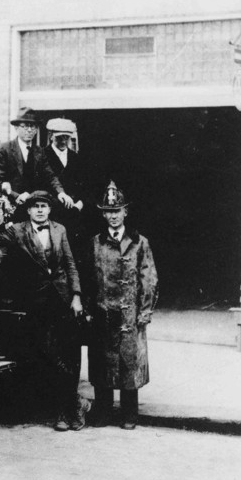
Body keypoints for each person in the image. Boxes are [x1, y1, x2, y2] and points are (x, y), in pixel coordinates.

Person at [0, 191, 88, 431]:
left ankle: (66, 412)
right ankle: (75, 404)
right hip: (37, 301)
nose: (40, 210)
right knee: (49, 353)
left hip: (63, 299)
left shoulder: (60, 229)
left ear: (50, 210)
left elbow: (69, 263)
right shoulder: (18, 230)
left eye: (44, 206)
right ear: (28, 210)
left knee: (69, 353)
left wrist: (76, 296)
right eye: (35, 207)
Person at [87, 182, 159, 430]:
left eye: (117, 210)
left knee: (129, 362)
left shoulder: (140, 243)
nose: (113, 216)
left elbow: (149, 279)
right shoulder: (95, 243)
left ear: (125, 212)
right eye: (109, 211)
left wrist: (145, 310)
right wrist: (89, 309)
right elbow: (88, 278)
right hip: (103, 311)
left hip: (129, 313)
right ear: (103, 214)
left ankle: (130, 413)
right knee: (102, 363)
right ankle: (104, 412)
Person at [0, 107, 74, 215]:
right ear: (16, 128)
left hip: (35, 207)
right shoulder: (3, 150)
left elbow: (50, 176)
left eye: (33, 126)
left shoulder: (39, 151)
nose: (29, 130)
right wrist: (16, 196)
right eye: (25, 126)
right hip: (12, 207)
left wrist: (61, 193)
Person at [43, 117, 88, 270]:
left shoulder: (76, 158)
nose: (63, 141)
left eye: (66, 137)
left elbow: (83, 186)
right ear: (51, 136)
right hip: (52, 215)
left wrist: (80, 202)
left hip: (74, 214)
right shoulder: (42, 156)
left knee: (75, 255)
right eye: (59, 137)